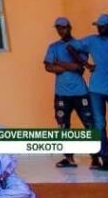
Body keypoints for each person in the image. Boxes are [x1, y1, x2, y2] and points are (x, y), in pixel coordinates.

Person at [43, 17, 95, 168]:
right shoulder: (53, 47)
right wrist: (68, 66)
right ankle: (69, 158)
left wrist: (59, 63)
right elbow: (48, 67)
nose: (61, 30)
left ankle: (96, 158)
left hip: (80, 92)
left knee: (89, 125)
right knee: (63, 126)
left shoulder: (79, 45)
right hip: (61, 93)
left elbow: (79, 67)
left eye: (64, 27)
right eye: (58, 28)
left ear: (70, 27)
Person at [77, 13, 108, 171]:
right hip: (96, 90)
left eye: (102, 26)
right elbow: (71, 47)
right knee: (99, 126)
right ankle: (106, 160)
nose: (99, 29)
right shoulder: (92, 40)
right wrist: (86, 64)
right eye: (98, 26)